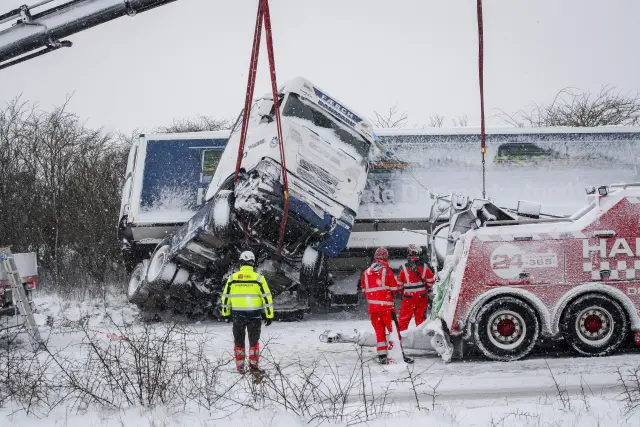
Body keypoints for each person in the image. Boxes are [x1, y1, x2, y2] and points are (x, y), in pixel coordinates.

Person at [221, 251, 274, 374]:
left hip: (238, 315)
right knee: (253, 342)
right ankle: (254, 366)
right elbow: (266, 298)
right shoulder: (259, 279)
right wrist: (269, 314)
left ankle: (240, 367)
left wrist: (225, 313)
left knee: (239, 340)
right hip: (254, 315)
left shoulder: (232, 278)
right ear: (253, 263)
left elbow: (225, 298)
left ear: (241, 262)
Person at [360, 247, 401, 364]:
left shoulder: (366, 272)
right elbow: (394, 289)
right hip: (386, 308)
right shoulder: (386, 271)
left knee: (379, 333)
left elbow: (364, 290)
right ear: (385, 257)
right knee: (394, 332)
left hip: (373, 310)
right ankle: (397, 354)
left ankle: (382, 356)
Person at [397, 244, 435, 331]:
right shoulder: (425, 267)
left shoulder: (403, 268)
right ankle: (421, 339)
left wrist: (403, 291)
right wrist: (424, 288)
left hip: (408, 298)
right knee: (421, 320)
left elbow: (399, 285)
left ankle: (401, 338)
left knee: (404, 320)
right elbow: (431, 281)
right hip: (421, 297)